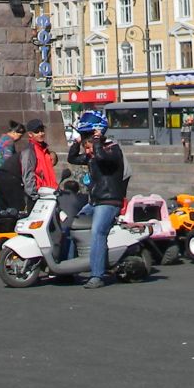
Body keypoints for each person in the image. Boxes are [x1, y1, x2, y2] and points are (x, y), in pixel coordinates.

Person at [66, 113, 129, 289]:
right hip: (94, 201)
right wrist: (78, 142)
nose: (87, 152)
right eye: (86, 147)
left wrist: (96, 141)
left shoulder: (112, 149)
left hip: (109, 201)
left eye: (89, 147)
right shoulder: (93, 154)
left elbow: (102, 158)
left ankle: (97, 275)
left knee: (97, 232)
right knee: (72, 226)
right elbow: (72, 158)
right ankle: (69, 270)